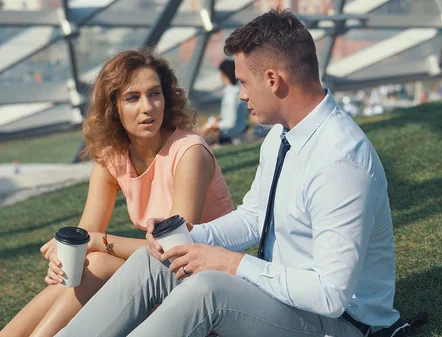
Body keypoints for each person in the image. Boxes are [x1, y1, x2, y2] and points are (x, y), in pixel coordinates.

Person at [56, 9, 406, 337]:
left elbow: (330, 295)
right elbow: (255, 217)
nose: (240, 96)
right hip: (281, 297)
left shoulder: (339, 162)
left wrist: (231, 264)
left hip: (339, 324)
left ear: (273, 80)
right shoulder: (281, 137)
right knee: (157, 259)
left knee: (210, 290)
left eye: (243, 83)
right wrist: (194, 237)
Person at [0, 49, 234, 337]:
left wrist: (103, 242)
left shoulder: (189, 153)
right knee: (84, 266)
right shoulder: (112, 157)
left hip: (204, 283)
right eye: (132, 98)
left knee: (99, 261)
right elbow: (87, 234)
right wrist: (63, 262)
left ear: (167, 97)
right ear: (114, 107)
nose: (148, 107)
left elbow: (174, 252)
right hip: (155, 276)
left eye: (154, 94)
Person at [200, 59, 249, 145]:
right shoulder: (238, 90)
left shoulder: (232, 95)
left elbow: (230, 123)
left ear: (223, 74)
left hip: (233, 139)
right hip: (240, 135)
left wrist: (210, 126)